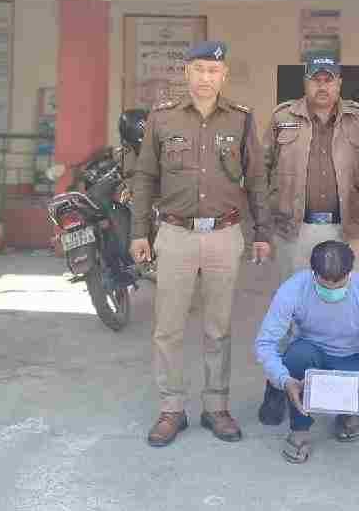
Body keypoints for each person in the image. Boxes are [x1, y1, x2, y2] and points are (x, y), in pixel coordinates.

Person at [130, 40, 272, 447]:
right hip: (175, 234)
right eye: (199, 69)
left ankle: (216, 407)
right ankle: (171, 408)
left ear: (224, 75)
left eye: (213, 70)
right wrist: (139, 232)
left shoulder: (240, 120)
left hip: (225, 235)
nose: (206, 77)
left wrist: (262, 233)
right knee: (168, 328)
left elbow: (256, 180)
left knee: (218, 328)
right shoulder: (162, 118)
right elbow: (145, 177)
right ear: (186, 73)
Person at [257, 51, 359, 426]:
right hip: (295, 230)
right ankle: (279, 388)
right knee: (290, 313)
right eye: (315, 78)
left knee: (349, 316)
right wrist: (265, 225)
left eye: (328, 79)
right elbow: (261, 173)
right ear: (305, 82)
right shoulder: (282, 118)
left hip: (346, 230)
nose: (322, 85)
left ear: (339, 83)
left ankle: (352, 398)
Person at [255, 240, 359, 464]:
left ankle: (348, 415)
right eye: (324, 285)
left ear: (351, 273)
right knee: (296, 356)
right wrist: (283, 380)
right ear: (312, 273)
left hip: (352, 360)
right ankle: (300, 429)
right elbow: (265, 343)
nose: (331, 291)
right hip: (310, 356)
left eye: (339, 284)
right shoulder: (293, 289)